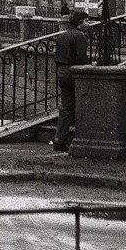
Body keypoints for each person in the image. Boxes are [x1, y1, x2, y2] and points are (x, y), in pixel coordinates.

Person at [51, 10, 90, 153]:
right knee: (83, 104)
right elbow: (81, 57)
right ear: (80, 23)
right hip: (74, 72)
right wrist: (90, 64)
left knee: (66, 107)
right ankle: (83, 139)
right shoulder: (80, 36)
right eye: (86, 21)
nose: (88, 24)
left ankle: (59, 140)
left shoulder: (63, 35)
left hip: (62, 71)